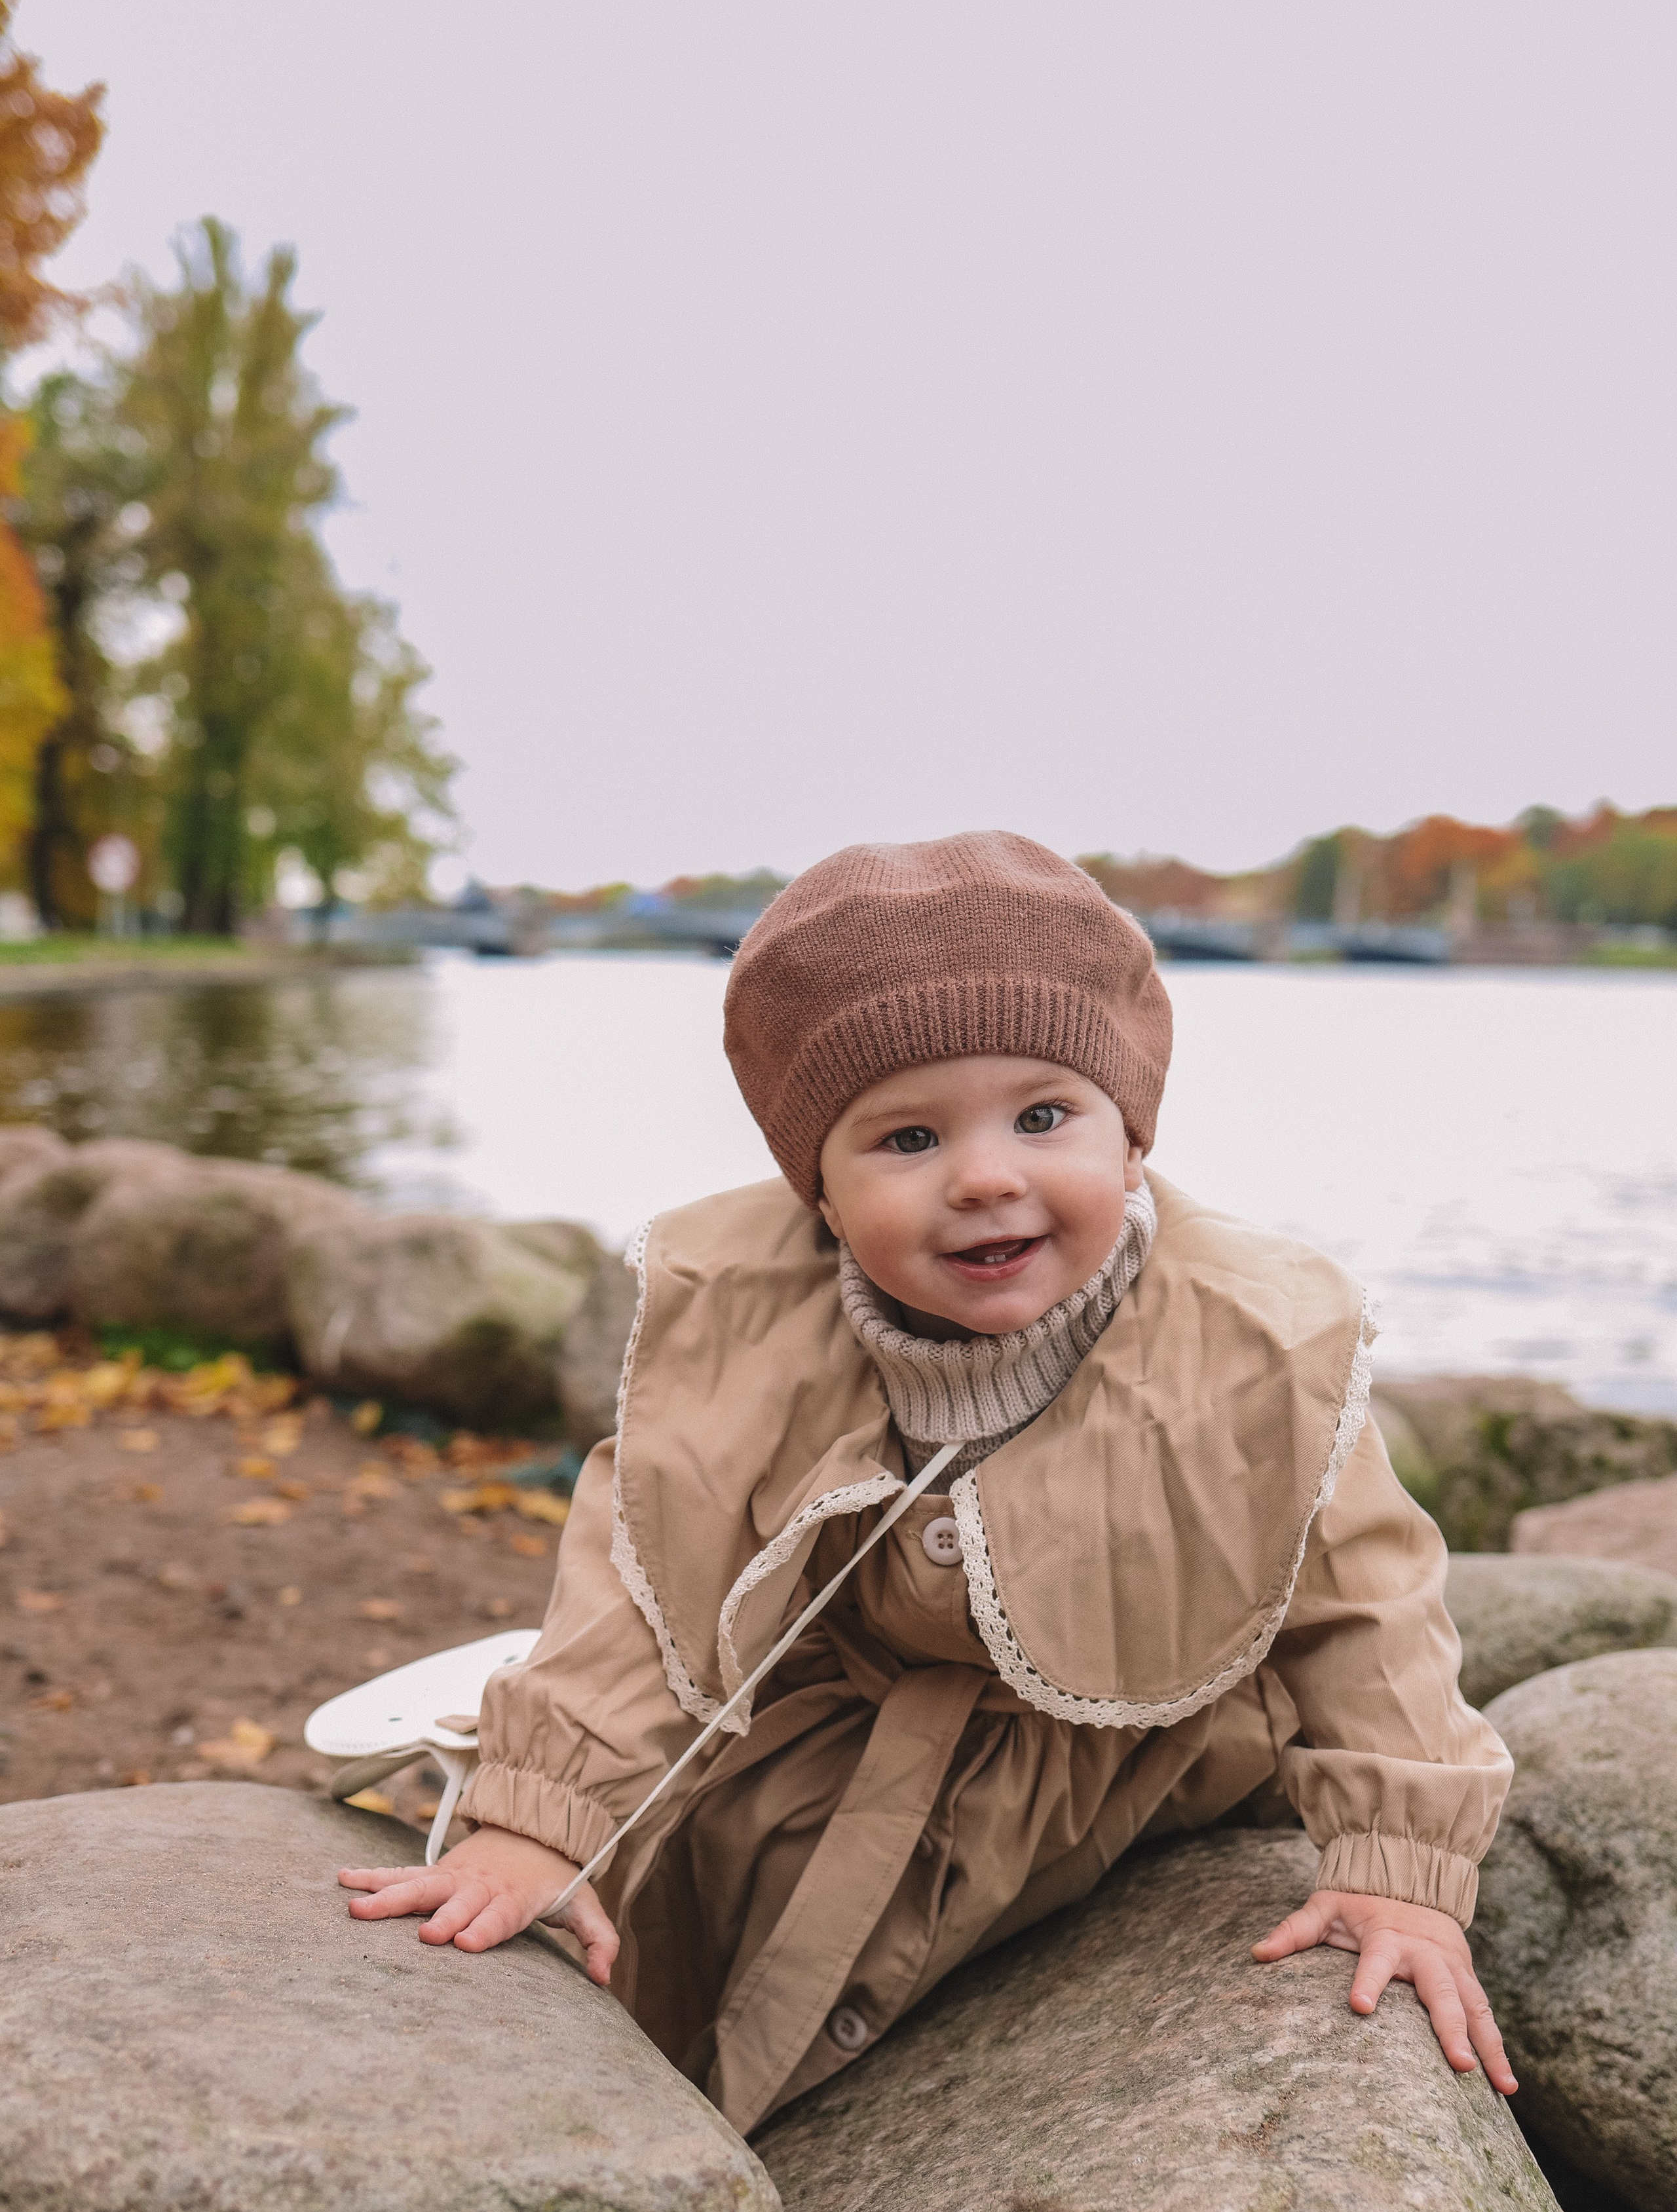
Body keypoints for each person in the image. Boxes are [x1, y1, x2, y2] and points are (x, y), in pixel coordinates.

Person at [339, 832, 1517, 2134]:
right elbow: (641, 1572)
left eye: (1042, 1116)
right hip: (846, 1699)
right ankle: (631, 2132)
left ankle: (782, 2139)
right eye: (906, 1137)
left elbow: (1366, 1603)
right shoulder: (750, 1320)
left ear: (1128, 1139)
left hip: (1127, 1731)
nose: (985, 1176)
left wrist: (1397, 1870)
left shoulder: (1249, 1339)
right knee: (688, 1883)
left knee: (865, 1959)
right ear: (820, 1196)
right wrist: (543, 1823)